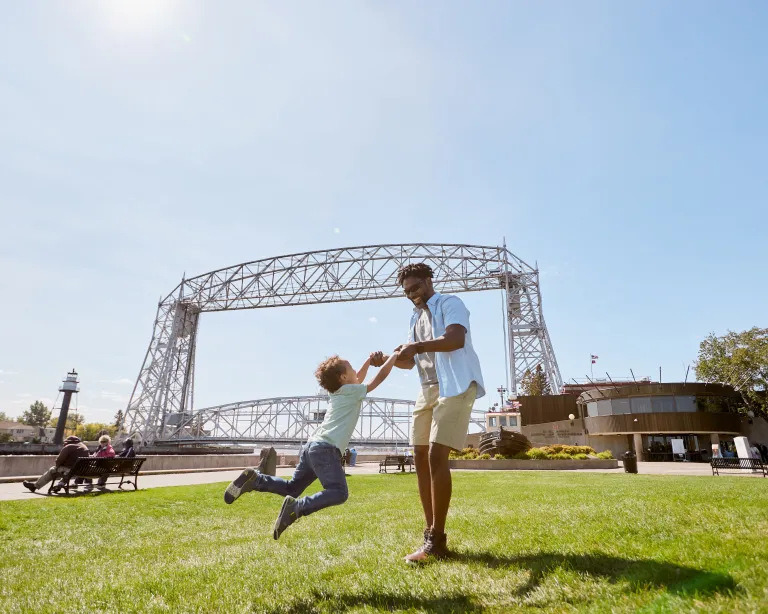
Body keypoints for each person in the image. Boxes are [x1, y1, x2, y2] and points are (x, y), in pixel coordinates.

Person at [372, 262, 485, 562]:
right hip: (428, 389)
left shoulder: (450, 303)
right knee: (419, 454)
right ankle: (429, 532)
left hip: (456, 385)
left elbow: (455, 339)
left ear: (428, 280)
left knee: (437, 455)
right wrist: (389, 359)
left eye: (416, 288)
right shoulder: (414, 318)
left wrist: (416, 346)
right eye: (406, 292)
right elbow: (410, 362)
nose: (412, 295)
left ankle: (437, 539)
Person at [223, 351, 400, 539]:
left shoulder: (340, 392)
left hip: (312, 447)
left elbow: (357, 378)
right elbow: (377, 379)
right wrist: (393, 357)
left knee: (292, 488)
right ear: (343, 377)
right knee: (339, 492)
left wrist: (368, 361)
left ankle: (255, 480)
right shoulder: (352, 391)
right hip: (326, 449)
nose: (356, 372)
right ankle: (297, 507)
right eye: (352, 369)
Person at [22, 435, 90, 493]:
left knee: (52, 470)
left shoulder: (69, 447)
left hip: (71, 470)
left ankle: (35, 486)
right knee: (67, 471)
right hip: (82, 470)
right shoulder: (84, 447)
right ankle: (60, 484)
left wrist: (57, 466)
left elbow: (59, 460)